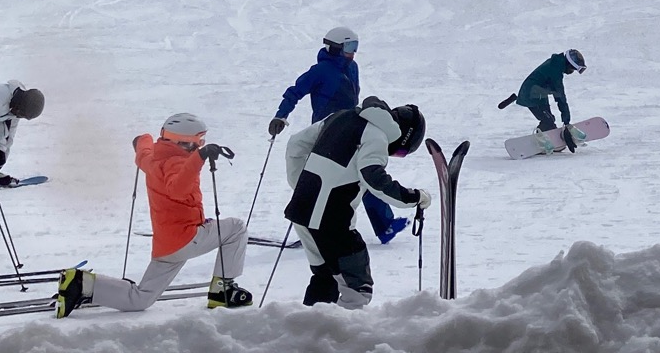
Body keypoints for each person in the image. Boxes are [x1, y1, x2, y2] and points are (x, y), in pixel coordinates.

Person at [53, 113, 252, 316]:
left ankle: (81, 283)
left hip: (166, 245)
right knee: (236, 228)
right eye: (198, 141)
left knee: (141, 298)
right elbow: (177, 188)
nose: (200, 146)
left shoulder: (153, 158)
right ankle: (223, 291)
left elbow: (143, 152)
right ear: (185, 142)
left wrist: (141, 140)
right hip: (187, 238)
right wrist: (199, 159)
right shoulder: (178, 163)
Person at [282, 97, 430, 308]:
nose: (393, 154)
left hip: (302, 211)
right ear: (403, 136)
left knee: (326, 278)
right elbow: (373, 177)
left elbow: (296, 144)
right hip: (330, 219)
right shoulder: (377, 136)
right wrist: (413, 198)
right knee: (357, 289)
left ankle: (306, 331)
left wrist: (303, 186)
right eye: (400, 151)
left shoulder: (340, 116)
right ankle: (346, 337)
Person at [266, 27, 405, 244]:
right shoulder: (319, 71)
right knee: (318, 182)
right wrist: (280, 116)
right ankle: (309, 225)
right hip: (325, 134)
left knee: (365, 174)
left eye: (356, 47)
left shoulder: (353, 67)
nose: (353, 52)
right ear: (336, 47)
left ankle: (385, 225)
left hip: (351, 130)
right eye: (350, 47)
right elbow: (294, 91)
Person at [0, 80, 45, 187]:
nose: (18, 115)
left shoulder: (16, 111)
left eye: (22, 116)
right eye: (20, 112)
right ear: (20, 102)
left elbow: (9, 137)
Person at [513, 50, 586, 135]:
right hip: (530, 95)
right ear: (568, 64)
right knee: (547, 121)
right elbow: (560, 96)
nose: (571, 72)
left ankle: (550, 140)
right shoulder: (555, 71)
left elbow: (557, 93)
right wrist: (566, 122)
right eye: (572, 69)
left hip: (539, 95)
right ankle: (540, 140)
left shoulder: (556, 64)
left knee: (549, 119)